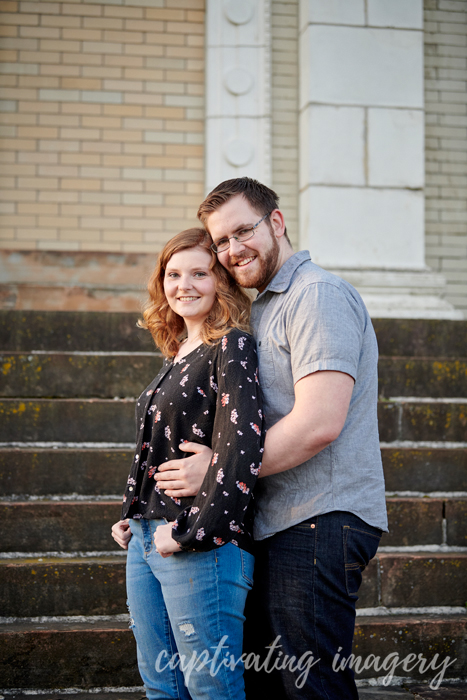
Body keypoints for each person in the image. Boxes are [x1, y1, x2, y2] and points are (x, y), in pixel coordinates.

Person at [152, 178, 389, 699]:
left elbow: (319, 423)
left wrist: (217, 472)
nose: (233, 250)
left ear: (276, 223)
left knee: (311, 687)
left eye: (244, 231)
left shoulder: (316, 296)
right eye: (221, 242)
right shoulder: (261, 310)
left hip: (320, 518)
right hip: (274, 520)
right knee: (270, 686)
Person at [111, 227, 264, 700]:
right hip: (146, 536)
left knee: (210, 686)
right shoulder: (177, 351)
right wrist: (131, 509)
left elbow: (242, 445)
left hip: (200, 539)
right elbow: (158, 444)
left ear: (221, 280)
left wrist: (187, 533)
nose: (185, 285)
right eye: (174, 274)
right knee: (161, 684)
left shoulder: (232, 346)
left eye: (200, 273)